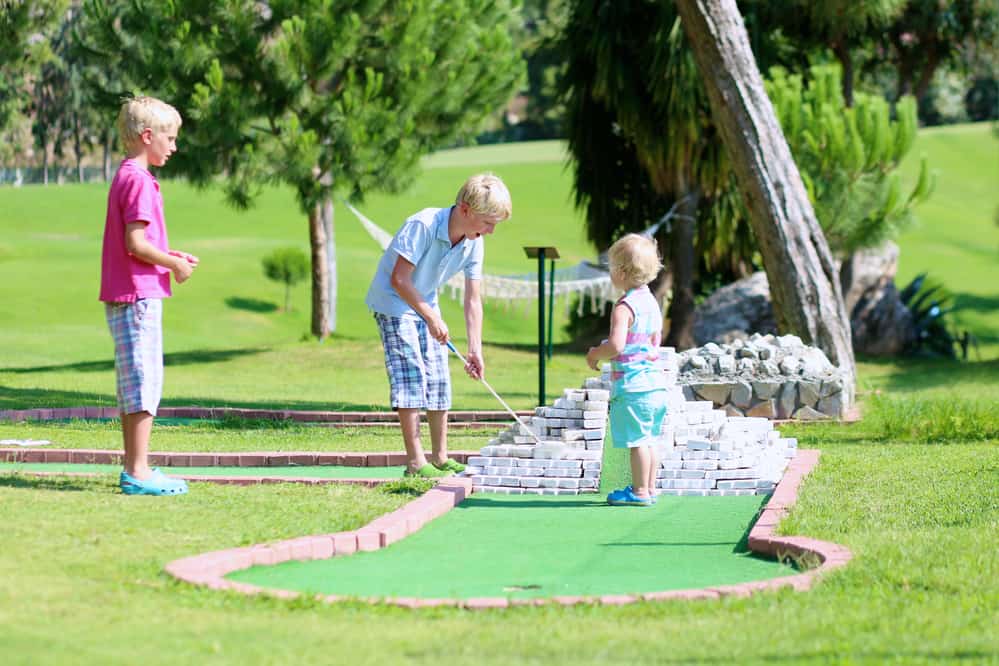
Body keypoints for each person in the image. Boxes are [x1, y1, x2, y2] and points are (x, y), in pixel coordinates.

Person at [366, 173, 512, 478]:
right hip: (393, 301)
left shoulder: (475, 243)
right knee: (411, 375)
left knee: (438, 376)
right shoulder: (424, 225)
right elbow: (399, 279)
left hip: (424, 301)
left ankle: (441, 457)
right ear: (465, 209)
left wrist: (475, 350)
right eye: (488, 222)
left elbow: (473, 299)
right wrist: (431, 317)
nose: (491, 231)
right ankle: (416, 463)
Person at [99, 96, 199, 496]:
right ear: (147, 136)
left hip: (128, 293)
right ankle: (138, 472)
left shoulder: (126, 175)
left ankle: (135, 466)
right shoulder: (139, 181)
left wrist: (169, 255)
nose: (173, 146)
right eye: (170, 138)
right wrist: (173, 266)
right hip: (138, 297)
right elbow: (136, 243)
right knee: (143, 383)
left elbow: (139, 243)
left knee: (133, 383)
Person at [586, 234, 668, 506]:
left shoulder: (624, 307)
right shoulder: (652, 303)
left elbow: (617, 346)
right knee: (649, 439)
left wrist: (597, 353)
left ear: (621, 272)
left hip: (635, 387)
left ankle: (640, 492)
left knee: (637, 442)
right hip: (656, 385)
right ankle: (650, 487)